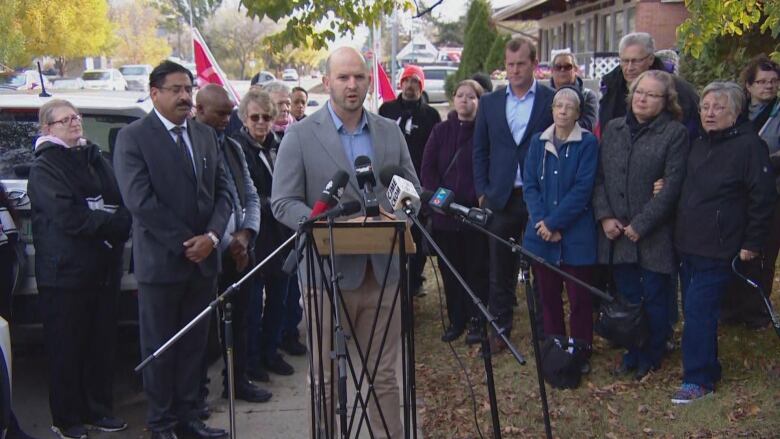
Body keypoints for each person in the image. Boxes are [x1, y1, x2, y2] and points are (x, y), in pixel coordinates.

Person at [271, 46, 419, 439]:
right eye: (343, 77)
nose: (352, 85)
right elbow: (282, 202)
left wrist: (397, 214)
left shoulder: (389, 132)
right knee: (322, 378)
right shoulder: (300, 136)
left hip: (383, 271)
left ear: (369, 81)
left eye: (359, 77)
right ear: (327, 81)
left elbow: (410, 189)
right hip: (325, 273)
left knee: (383, 376)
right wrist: (324, 225)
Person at [113, 61, 231, 439]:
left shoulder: (204, 135)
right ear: (155, 93)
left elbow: (224, 191)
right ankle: (161, 423)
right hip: (162, 265)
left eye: (188, 88)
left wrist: (211, 238)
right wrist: (187, 243)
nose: (185, 96)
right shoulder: (134, 137)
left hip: (203, 264)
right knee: (161, 348)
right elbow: (140, 201)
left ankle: (188, 418)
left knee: (194, 347)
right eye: (177, 89)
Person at [27, 99, 131, 439]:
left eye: (77, 117)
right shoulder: (45, 167)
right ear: (47, 129)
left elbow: (119, 199)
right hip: (65, 274)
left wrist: (111, 219)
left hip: (102, 269)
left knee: (100, 345)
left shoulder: (93, 156)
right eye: (65, 120)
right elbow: (67, 215)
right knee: (66, 348)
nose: (74, 123)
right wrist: (107, 221)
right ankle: (67, 418)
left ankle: (98, 410)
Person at [673, 81, 775, 404]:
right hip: (688, 242)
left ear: (735, 112)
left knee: (700, 311)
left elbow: (764, 199)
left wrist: (752, 242)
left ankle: (698, 380)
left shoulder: (749, 146)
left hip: (720, 246)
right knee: (693, 310)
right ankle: (708, 367)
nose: (710, 113)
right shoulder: (699, 142)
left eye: (719, 107)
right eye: (705, 107)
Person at [593, 70, 689, 381]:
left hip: (653, 234)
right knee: (628, 298)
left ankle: (653, 353)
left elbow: (672, 187)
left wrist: (641, 224)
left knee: (656, 297)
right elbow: (600, 179)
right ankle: (632, 351)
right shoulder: (614, 128)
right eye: (639, 92)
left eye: (651, 94)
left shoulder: (674, 134)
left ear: (666, 101)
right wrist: (606, 216)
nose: (643, 99)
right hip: (617, 233)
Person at [473, 36, 554, 351]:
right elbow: (480, 150)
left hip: (539, 196)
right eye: (510, 65)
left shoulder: (549, 99)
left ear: (534, 64)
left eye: (521, 64)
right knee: (500, 267)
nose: (515, 70)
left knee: (541, 265)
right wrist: (482, 191)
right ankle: (500, 329)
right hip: (501, 197)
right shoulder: (491, 103)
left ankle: (546, 332)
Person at [193, 84, 271, 404]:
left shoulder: (233, 147)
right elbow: (202, 205)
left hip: (240, 248)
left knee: (239, 321)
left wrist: (247, 234)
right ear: (200, 111)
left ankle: (237, 381)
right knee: (204, 331)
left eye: (229, 113)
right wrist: (227, 242)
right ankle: (196, 394)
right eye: (220, 113)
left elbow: (249, 196)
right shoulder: (194, 147)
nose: (227, 120)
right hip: (209, 251)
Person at [522, 86, 599, 372]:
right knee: (548, 295)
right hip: (541, 234)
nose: (563, 110)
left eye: (569, 106)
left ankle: (580, 351)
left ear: (578, 113)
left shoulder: (588, 144)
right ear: (552, 110)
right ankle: (553, 348)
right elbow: (530, 184)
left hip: (575, 234)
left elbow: (583, 189)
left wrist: (555, 223)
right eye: (558, 105)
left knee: (579, 297)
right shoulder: (537, 142)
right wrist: (543, 222)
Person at [232, 87, 300, 381]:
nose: (261, 123)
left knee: (280, 298)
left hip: (283, 235)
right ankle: (251, 361)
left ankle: (271, 352)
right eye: (254, 117)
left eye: (266, 117)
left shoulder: (282, 144)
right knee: (250, 305)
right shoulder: (237, 148)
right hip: (255, 234)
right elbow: (240, 193)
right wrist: (271, 203)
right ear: (244, 119)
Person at [420, 79, 488, 344]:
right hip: (445, 216)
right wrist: (439, 200)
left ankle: (476, 321)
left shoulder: (485, 132)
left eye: (471, 96)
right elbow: (428, 168)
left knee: (476, 270)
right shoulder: (440, 131)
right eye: (460, 95)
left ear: (478, 101)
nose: (464, 100)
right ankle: (456, 320)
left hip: (473, 215)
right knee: (451, 271)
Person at [721, 55, 780, 328]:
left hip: (771, 193)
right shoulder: (738, 112)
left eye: (774, 81)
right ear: (749, 85)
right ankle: (731, 307)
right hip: (737, 193)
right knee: (734, 249)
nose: (768, 87)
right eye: (762, 82)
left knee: (763, 251)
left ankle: (756, 310)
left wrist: (761, 161)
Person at [379, 64, 442, 297]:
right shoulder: (386, 110)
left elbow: (436, 151)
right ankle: (392, 279)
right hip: (390, 181)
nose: (410, 86)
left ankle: (415, 280)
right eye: (406, 81)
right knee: (390, 229)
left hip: (419, 181)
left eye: (415, 82)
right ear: (400, 83)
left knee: (416, 233)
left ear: (421, 86)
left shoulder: (430, 115)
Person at [598, 32, 699, 139]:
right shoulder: (610, 85)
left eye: (636, 61)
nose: (629, 67)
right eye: (625, 61)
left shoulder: (676, 88)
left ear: (651, 59)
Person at [548, 51, 599, 131]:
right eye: (558, 67)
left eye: (567, 66)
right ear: (552, 71)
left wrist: (560, 129)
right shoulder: (544, 96)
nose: (562, 70)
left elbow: (589, 125)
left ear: (575, 70)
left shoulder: (588, 96)